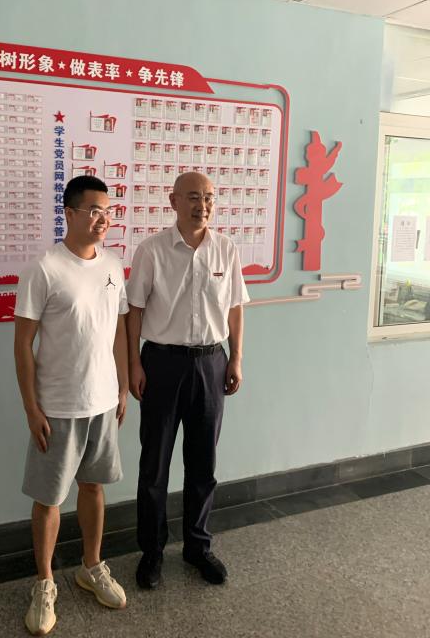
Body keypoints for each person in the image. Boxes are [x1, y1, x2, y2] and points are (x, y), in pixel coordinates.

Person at [14, 175, 129, 635]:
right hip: (58, 405)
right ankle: (44, 583)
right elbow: (23, 344)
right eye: (94, 211)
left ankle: (91, 566)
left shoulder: (113, 265)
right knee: (48, 499)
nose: (103, 219)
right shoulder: (44, 269)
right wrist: (31, 408)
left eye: (108, 211)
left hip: (102, 401)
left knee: (94, 487)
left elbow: (118, 331)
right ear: (69, 213)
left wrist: (122, 388)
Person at [126, 171, 249, 590]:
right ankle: (152, 552)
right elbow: (134, 311)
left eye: (209, 197)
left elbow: (235, 307)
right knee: (154, 465)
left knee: (203, 463)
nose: (203, 205)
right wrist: (133, 364)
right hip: (162, 364)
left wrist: (236, 358)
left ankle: (198, 546)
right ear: (173, 201)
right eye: (194, 197)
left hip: (211, 363)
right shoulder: (152, 250)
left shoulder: (226, 249)